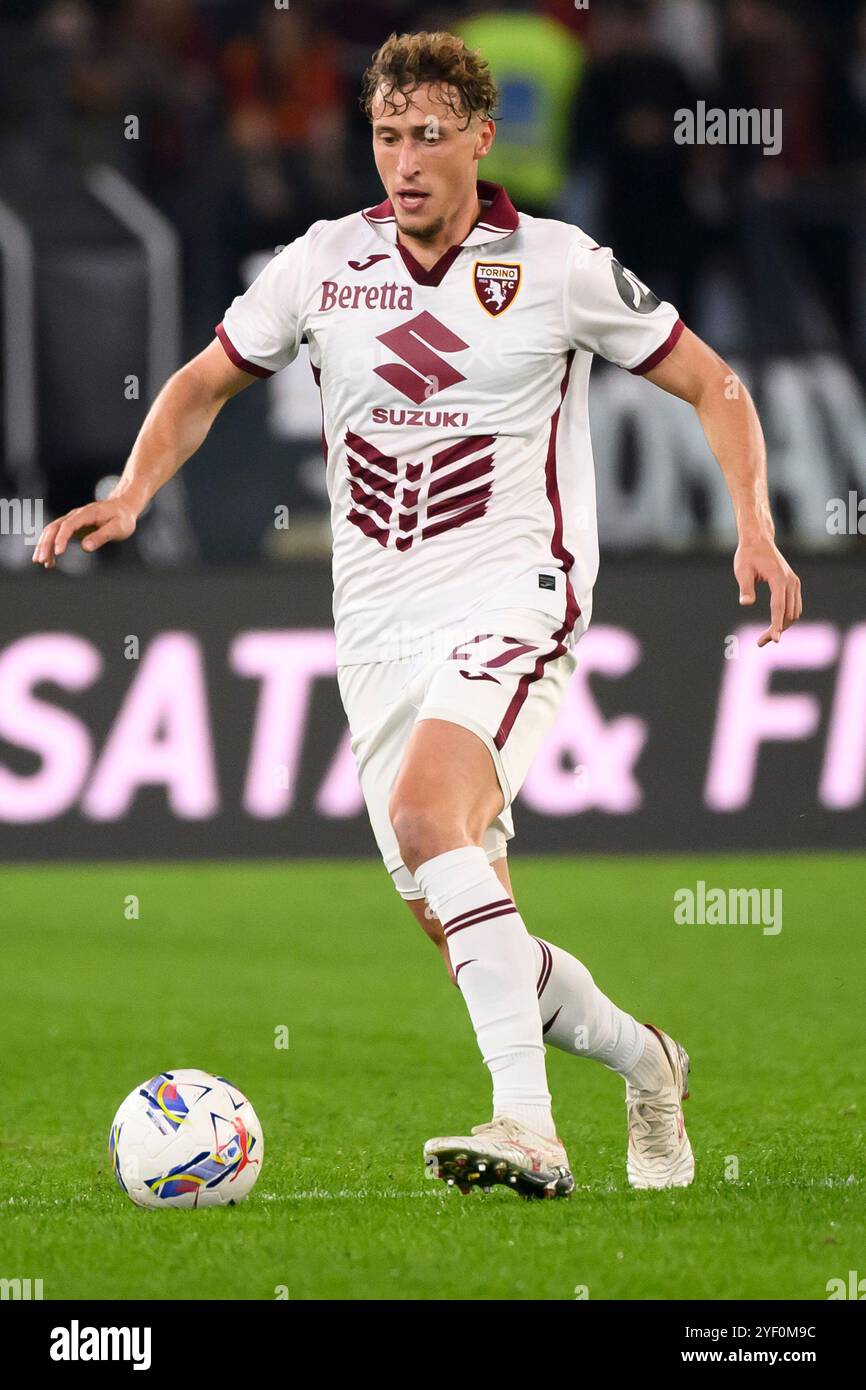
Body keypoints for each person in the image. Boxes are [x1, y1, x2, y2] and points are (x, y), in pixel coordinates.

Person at [33, 30, 803, 1200]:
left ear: (480, 138)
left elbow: (714, 383)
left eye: (428, 134)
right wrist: (132, 491)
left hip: (518, 597)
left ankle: (527, 1128)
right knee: (470, 934)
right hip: (375, 632)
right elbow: (201, 382)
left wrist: (752, 521)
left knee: (428, 812)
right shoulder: (320, 263)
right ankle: (648, 1062)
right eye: (387, 135)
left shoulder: (556, 265)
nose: (403, 159)